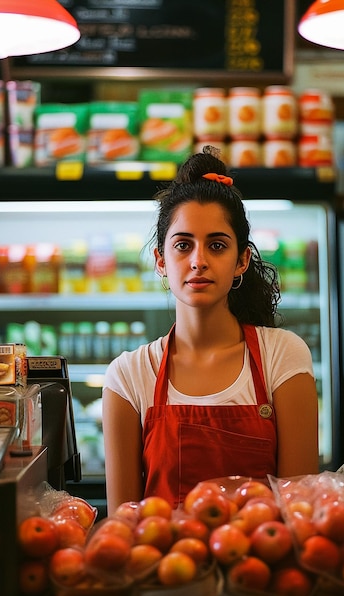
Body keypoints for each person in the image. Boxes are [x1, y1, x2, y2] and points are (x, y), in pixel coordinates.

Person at [101, 146, 319, 512]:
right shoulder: (128, 377)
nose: (199, 261)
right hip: (163, 568)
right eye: (183, 245)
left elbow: (298, 516)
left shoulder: (282, 356)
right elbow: (124, 534)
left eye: (217, 245)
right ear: (161, 261)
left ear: (242, 260)